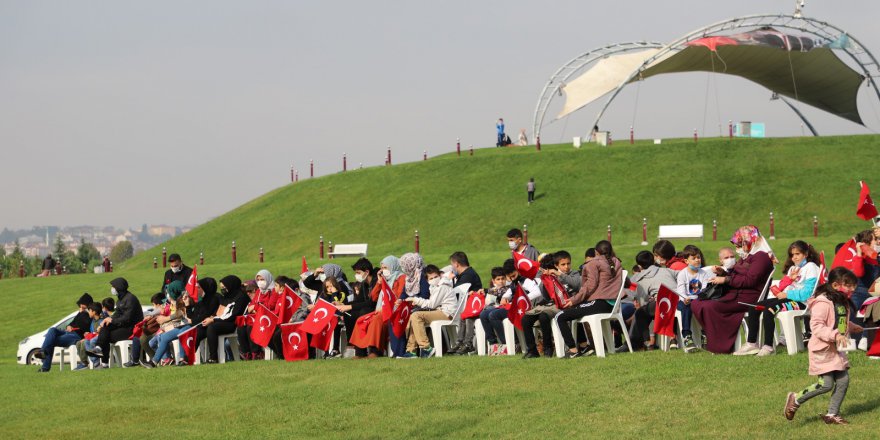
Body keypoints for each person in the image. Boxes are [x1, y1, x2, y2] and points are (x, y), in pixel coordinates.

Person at [784, 267, 863, 425]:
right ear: (835, 285)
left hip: (836, 350)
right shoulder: (823, 302)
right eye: (849, 285)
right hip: (823, 350)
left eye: (854, 285)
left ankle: (832, 414)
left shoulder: (840, 301)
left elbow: (838, 320)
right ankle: (796, 398)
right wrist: (835, 335)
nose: (852, 289)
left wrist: (851, 326)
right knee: (826, 384)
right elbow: (817, 326)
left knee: (843, 381)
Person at [691, 226, 774, 354]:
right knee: (697, 303)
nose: (737, 248)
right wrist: (723, 273)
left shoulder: (761, 257)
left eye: (739, 244)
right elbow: (736, 275)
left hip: (747, 297)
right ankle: (714, 339)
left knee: (709, 306)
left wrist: (726, 280)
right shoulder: (747, 257)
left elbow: (750, 280)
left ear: (748, 241)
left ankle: (719, 344)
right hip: (734, 293)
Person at [736, 240, 821, 356]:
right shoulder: (793, 269)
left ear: (806, 254)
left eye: (798, 254)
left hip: (802, 303)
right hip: (787, 299)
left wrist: (787, 295)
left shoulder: (811, 267)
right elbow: (779, 288)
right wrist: (789, 279)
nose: (794, 258)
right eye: (792, 255)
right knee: (755, 307)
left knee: (769, 310)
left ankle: (768, 346)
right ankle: (752, 343)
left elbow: (808, 293)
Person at [554, 240, 624, 358]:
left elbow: (589, 286)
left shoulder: (594, 263)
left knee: (560, 316)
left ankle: (573, 350)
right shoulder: (616, 262)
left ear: (596, 252)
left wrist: (574, 300)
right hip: (613, 305)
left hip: (601, 303)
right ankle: (584, 346)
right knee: (575, 311)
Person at [481, 258, 542, 355]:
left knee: (493, 315)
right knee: (484, 314)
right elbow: (509, 293)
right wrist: (505, 297)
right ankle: (493, 343)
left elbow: (537, 292)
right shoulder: (514, 282)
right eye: (510, 277)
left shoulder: (526, 281)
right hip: (513, 307)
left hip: (522, 308)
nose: (513, 278)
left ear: (518, 270)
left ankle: (509, 344)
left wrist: (521, 299)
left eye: (514, 275)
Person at [349, 256, 405, 358]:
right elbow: (374, 297)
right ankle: (360, 353)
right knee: (361, 320)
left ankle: (376, 352)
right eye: (382, 268)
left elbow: (399, 296)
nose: (383, 270)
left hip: (393, 311)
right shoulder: (384, 279)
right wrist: (379, 282)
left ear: (393, 266)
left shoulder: (400, 278)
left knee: (376, 320)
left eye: (385, 268)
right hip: (380, 310)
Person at [400, 265, 457, 358]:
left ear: (440, 275)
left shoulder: (443, 286)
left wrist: (415, 299)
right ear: (427, 280)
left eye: (436, 276)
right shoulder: (434, 287)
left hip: (447, 313)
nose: (434, 279)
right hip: (440, 311)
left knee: (416, 316)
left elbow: (431, 304)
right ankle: (411, 350)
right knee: (413, 316)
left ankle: (426, 348)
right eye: (431, 278)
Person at [629, 251, 677, 350]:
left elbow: (643, 301)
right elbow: (681, 275)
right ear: (653, 260)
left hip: (664, 304)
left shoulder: (642, 278)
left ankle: (647, 342)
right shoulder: (666, 270)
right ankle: (673, 339)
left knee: (640, 313)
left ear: (639, 266)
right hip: (678, 300)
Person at [92, 278, 143, 368]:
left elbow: (127, 318)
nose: (112, 289)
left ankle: (104, 363)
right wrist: (105, 321)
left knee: (106, 336)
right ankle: (99, 349)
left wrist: (112, 321)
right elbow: (117, 315)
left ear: (119, 287)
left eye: (113, 287)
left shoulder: (130, 299)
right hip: (123, 326)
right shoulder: (120, 300)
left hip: (132, 328)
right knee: (105, 328)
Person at [35, 293, 93, 372]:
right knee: (52, 330)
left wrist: (83, 313)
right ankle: (43, 352)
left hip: (76, 336)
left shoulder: (89, 314)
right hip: (68, 332)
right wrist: (68, 326)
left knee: (51, 341)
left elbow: (86, 326)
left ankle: (45, 365)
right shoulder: (80, 313)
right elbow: (72, 323)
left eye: (82, 305)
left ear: (86, 304)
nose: (80, 306)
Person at [202, 275, 250, 363]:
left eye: (224, 287)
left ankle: (213, 357)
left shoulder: (241, 297)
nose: (223, 290)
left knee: (212, 327)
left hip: (233, 323)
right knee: (202, 326)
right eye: (221, 288)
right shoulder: (227, 297)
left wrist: (214, 320)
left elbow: (233, 316)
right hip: (223, 321)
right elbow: (220, 311)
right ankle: (190, 357)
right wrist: (212, 317)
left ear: (231, 286)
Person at [675, 245, 713, 353]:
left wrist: (701, 299)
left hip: (699, 300)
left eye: (699, 257)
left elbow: (705, 289)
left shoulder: (703, 273)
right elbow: (680, 290)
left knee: (707, 307)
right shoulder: (682, 274)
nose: (697, 260)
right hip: (685, 300)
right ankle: (687, 336)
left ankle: (705, 333)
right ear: (686, 261)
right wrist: (684, 298)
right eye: (694, 258)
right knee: (686, 308)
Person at [390, 253, 429, 357]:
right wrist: (400, 300)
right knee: (394, 316)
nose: (403, 268)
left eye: (405, 265)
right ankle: (398, 351)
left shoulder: (422, 276)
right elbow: (404, 293)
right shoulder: (409, 278)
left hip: (423, 306)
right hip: (411, 306)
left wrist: (410, 300)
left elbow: (425, 295)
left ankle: (409, 350)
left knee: (407, 317)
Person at [338, 258, 378, 358]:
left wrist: (350, 306)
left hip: (377, 309)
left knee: (363, 313)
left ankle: (374, 351)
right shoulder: (364, 284)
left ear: (367, 272)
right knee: (349, 315)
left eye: (358, 272)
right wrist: (344, 305)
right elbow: (358, 300)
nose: (356, 275)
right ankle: (358, 350)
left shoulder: (376, 281)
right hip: (367, 309)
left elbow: (372, 302)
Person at [236, 270, 280, 360]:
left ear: (268, 279)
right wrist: (258, 306)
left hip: (269, 319)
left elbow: (270, 306)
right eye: (258, 279)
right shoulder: (259, 292)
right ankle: (246, 353)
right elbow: (250, 307)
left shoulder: (273, 291)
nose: (260, 282)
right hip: (258, 317)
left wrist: (256, 307)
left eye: (262, 279)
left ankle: (256, 353)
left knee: (250, 327)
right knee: (241, 327)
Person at [447, 251, 483, 355]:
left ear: (456, 264)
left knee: (466, 317)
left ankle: (468, 344)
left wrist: (448, 280)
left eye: (452, 264)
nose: (452, 267)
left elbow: (454, 292)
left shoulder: (467, 275)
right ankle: (460, 342)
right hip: (468, 307)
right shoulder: (465, 274)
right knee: (464, 316)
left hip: (475, 308)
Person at [125, 293, 166, 368]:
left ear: (158, 304)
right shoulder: (155, 311)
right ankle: (150, 359)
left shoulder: (164, 308)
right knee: (139, 338)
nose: (153, 307)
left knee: (143, 339)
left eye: (153, 304)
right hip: (154, 331)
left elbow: (160, 309)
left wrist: (151, 315)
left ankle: (153, 360)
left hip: (160, 331)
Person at [72, 303, 104, 370]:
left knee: (85, 342)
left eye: (89, 310)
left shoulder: (101, 320)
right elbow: (93, 332)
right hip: (92, 337)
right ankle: (84, 362)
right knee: (78, 343)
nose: (88, 312)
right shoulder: (93, 321)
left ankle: (94, 363)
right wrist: (88, 334)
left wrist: (89, 336)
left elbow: (99, 333)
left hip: (98, 339)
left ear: (94, 312)